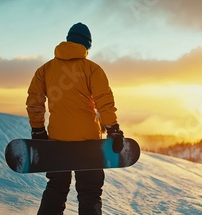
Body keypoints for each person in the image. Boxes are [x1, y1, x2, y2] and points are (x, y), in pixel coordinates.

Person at [26, 22, 124, 215]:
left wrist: (38, 129)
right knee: (90, 192)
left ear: (68, 39)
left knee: (56, 188)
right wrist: (112, 128)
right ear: (87, 45)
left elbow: (34, 102)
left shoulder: (44, 70)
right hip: (88, 143)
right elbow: (104, 101)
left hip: (57, 142)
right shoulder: (92, 69)